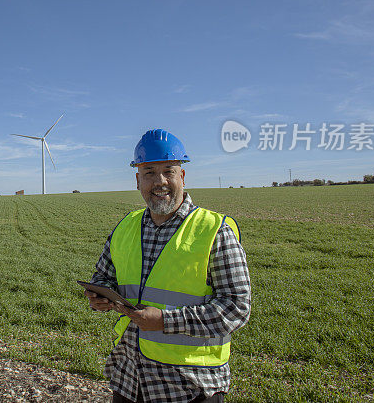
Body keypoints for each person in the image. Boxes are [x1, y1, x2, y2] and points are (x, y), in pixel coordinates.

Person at [84, 129, 251, 403]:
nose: (159, 181)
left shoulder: (215, 230)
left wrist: (165, 321)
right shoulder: (125, 227)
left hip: (190, 385)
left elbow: (236, 308)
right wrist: (99, 295)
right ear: (138, 181)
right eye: (149, 172)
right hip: (130, 379)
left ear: (182, 177)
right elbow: (103, 276)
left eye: (168, 171)